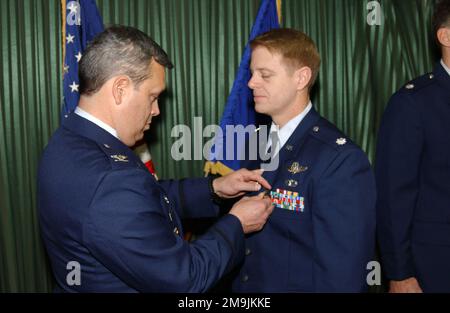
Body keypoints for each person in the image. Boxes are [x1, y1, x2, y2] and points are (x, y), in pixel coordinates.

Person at [37, 25, 274, 293]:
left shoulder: (69, 140)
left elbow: (144, 198)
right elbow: (185, 278)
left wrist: (215, 188)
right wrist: (236, 224)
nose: (156, 110)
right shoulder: (110, 178)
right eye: (152, 97)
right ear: (120, 89)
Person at [229, 28, 376, 292]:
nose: (251, 83)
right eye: (252, 73)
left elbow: (343, 274)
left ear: (301, 78)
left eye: (265, 75)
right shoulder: (256, 141)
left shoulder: (339, 159)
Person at [376, 0, 450, 293]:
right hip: (435, 266)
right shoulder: (413, 102)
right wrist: (399, 273)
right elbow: (394, 196)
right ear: (445, 37)